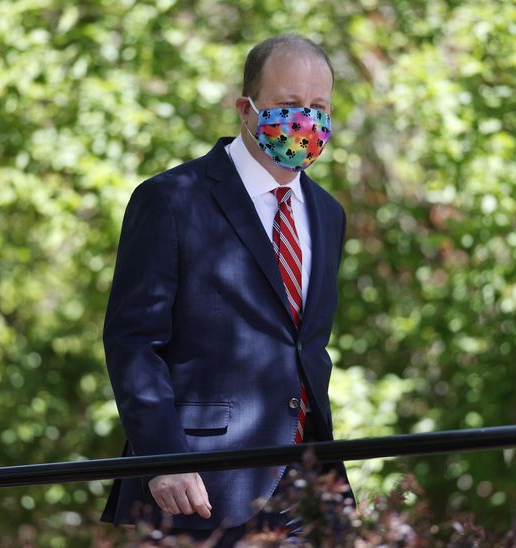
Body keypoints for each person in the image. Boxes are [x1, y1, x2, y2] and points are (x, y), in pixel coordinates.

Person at [100, 34, 349, 541]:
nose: (306, 120)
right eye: (288, 105)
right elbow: (133, 341)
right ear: (246, 109)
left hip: (309, 487)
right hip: (202, 485)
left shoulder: (328, 213)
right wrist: (162, 458)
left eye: (318, 107)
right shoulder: (171, 199)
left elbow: (303, 345)